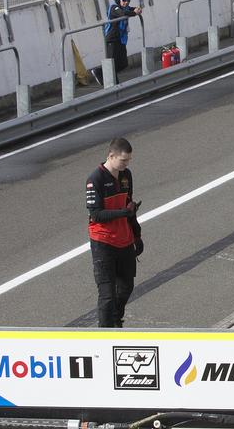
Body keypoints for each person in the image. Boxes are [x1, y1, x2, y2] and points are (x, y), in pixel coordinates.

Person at [87, 137, 143, 328]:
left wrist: (137, 234)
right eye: (123, 160)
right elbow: (95, 214)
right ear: (111, 156)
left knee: (127, 286)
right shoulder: (95, 179)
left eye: (128, 160)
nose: (126, 164)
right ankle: (105, 334)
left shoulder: (126, 175)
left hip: (124, 239)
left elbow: (129, 207)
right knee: (107, 294)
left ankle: (115, 320)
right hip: (103, 242)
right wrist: (123, 212)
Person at [98, 0, 143, 84]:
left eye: (128, 0)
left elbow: (131, 9)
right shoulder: (114, 8)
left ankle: (104, 74)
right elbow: (123, 13)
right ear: (119, 0)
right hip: (112, 39)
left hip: (120, 39)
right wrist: (134, 13)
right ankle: (108, 79)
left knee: (123, 63)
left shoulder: (125, 7)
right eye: (124, 0)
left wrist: (137, 9)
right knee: (111, 64)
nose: (126, 2)